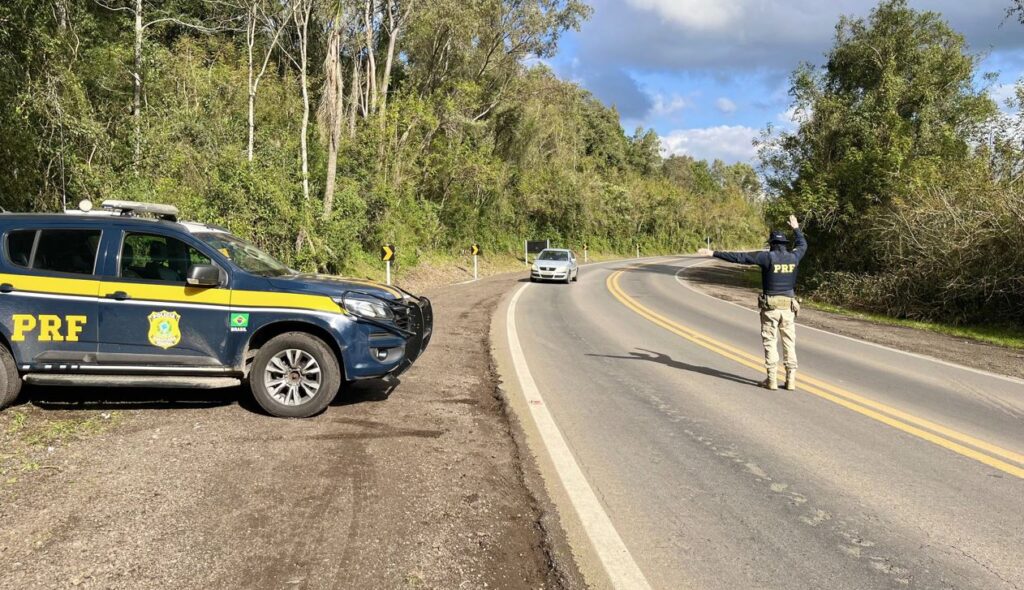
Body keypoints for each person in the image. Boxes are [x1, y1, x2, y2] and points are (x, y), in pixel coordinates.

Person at [697, 215, 807, 390]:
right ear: (785, 244)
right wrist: (796, 228)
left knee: (770, 342)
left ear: (771, 244)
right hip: (788, 308)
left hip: (770, 307)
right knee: (789, 343)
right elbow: (803, 245)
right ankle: (791, 379)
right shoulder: (794, 257)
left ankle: (771, 379)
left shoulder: (766, 258)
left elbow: (740, 257)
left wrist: (713, 253)